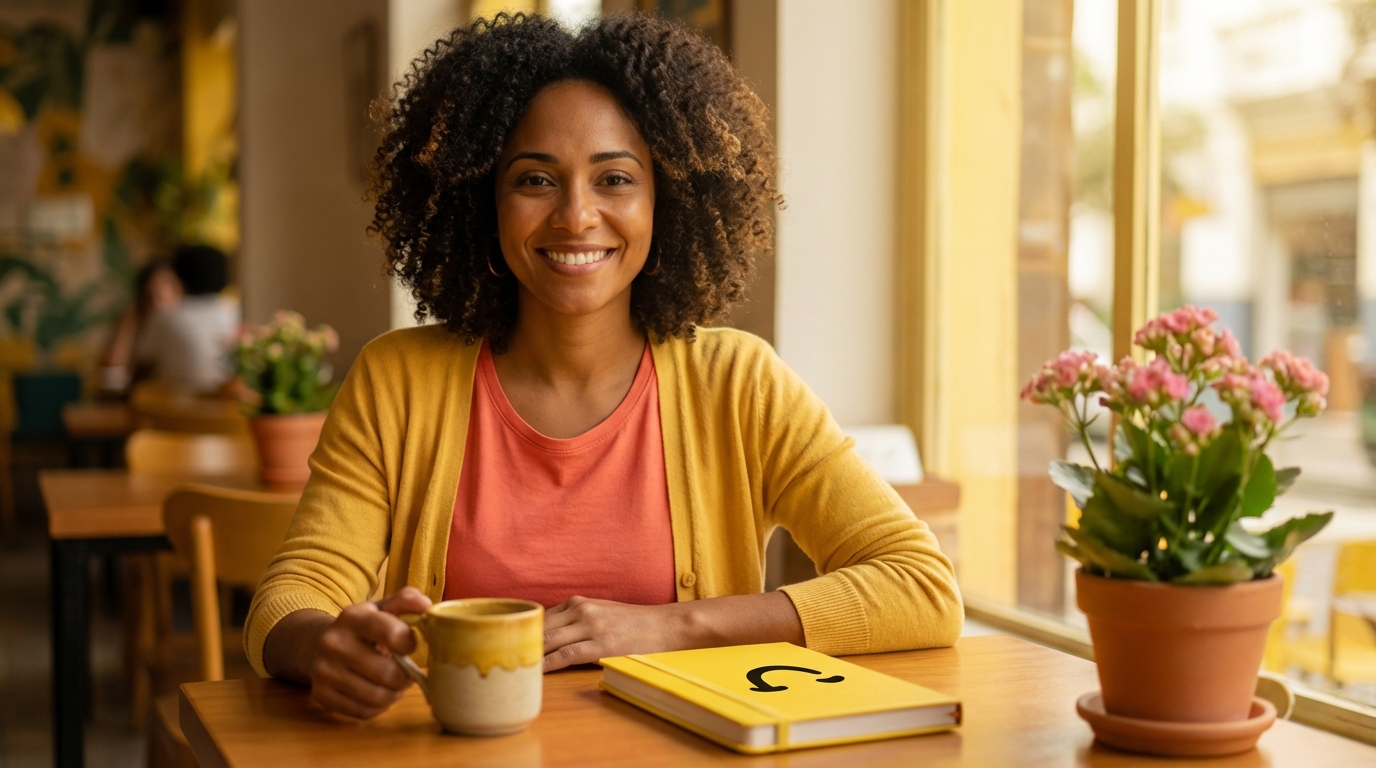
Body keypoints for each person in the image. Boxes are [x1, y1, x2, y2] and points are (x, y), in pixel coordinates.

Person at [247, 12, 961, 721]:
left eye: (615, 178)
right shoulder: (398, 381)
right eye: (535, 180)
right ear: (483, 201)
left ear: (665, 201)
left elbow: (921, 587)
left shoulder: (739, 383)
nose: (576, 216)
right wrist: (323, 647)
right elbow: (290, 598)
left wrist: (671, 627)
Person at [135, 244, 240, 393]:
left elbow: (142, 365)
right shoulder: (232, 310)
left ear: (179, 275)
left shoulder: (165, 315)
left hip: (174, 402)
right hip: (223, 401)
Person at [99, 258, 183, 394]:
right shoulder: (137, 321)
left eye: (167, 284)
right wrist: (129, 322)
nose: (160, 292)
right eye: (151, 296)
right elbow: (111, 371)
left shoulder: (185, 326)